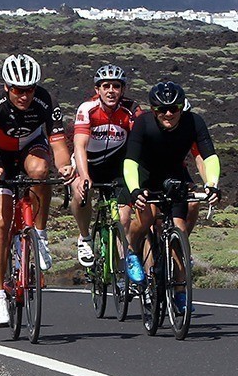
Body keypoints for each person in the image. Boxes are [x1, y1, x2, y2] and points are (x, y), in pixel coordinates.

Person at [0, 53, 74, 325]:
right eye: (18, 90)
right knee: (0, 221)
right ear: (7, 87)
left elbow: (58, 146)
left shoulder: (46, 101)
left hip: (31, 147)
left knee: (41, 171)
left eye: (29, 89)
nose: (24, 96)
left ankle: (39, 234)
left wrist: (65, 166)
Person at [123, 81, 221, 311]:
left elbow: (209, 156)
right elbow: (130, 161)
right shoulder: (143, 123)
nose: (168, 113)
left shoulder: (194, 122)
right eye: (161, 109)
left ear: (181, 108)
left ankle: (179, 291)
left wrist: (213, 185)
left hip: (174, 174)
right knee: (146, 218)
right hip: (145, 174)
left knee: (180, 228)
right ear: (153, 110)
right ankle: (131, 250)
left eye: (174, 108)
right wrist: (135, 190)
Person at [71, 64, 143, 267]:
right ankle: (84, 237)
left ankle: (120, 263)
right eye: (106, 86)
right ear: (97, 89)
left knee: (123, 216)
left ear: (123, 89)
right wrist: (84, 175)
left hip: (115, 166)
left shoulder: (131, 110)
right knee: (80, 193)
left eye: (116, 86)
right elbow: (79, 145)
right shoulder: (87, 109)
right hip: (88, 162)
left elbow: (142, 140)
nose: (111, 91)